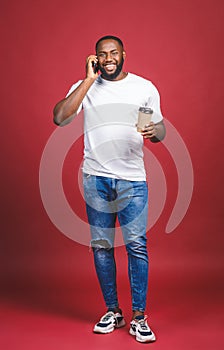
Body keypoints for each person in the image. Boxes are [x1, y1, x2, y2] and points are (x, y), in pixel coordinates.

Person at [53, 35, 166, 343]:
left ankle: (139, 317)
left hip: (132, 179)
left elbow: (159, 130)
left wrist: (154, 130)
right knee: (102, 247)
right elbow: (60, 118)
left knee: (136, 246)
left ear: (123, 54)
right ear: (96, 59)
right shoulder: (85, 87)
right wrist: (88, 81)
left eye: (114, 52)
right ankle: (113, 311)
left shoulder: (144, 88)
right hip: (95, 179)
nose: (109, 58)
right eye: (102, 54)